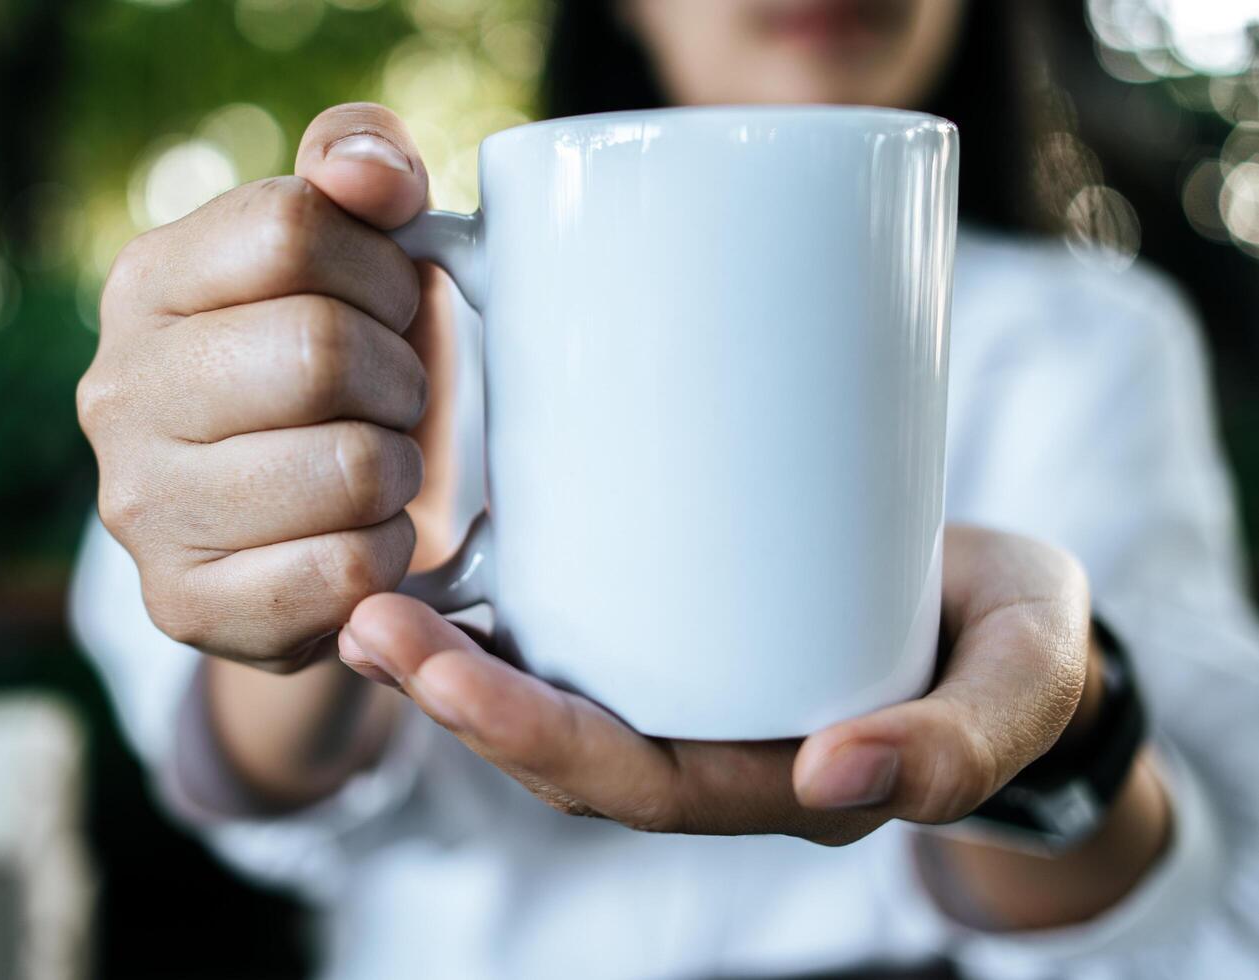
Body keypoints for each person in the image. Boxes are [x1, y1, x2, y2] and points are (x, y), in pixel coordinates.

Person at [71, 1, 1259, 976]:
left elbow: (1197, 897)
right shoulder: (386, 333)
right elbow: (259, 787)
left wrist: (1060, 730)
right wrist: (320, 590)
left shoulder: (1097, 337)